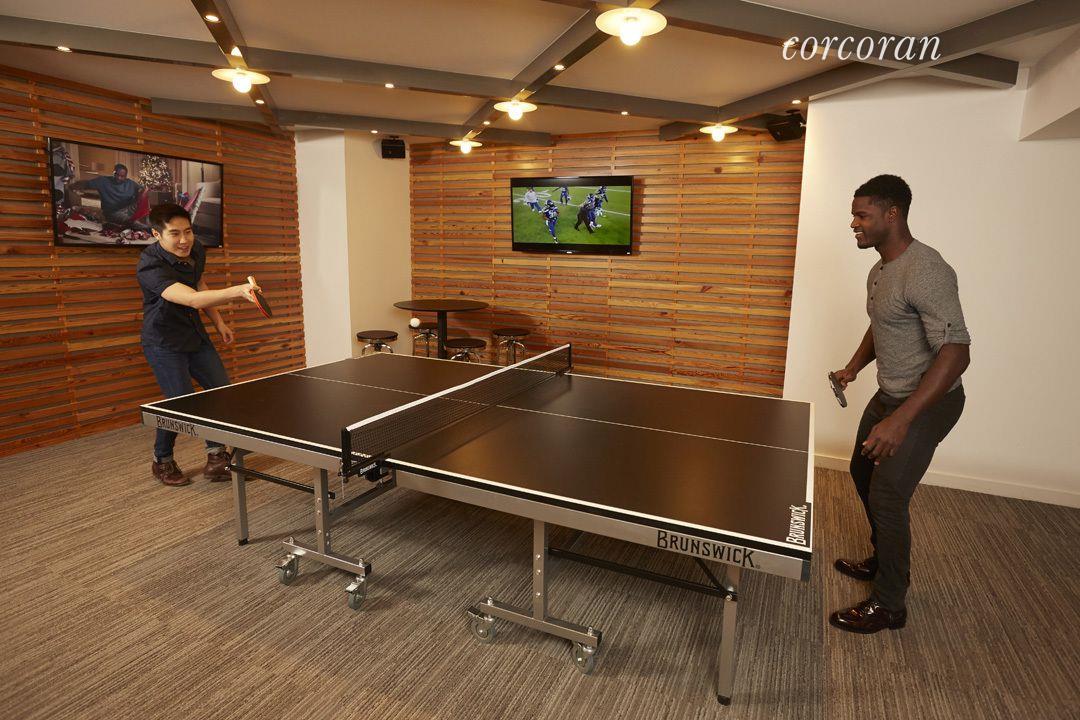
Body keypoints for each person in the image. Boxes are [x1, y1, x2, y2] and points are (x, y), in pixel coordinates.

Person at [829, 175, 971, 633]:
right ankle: (884, 557)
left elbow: (956, 352)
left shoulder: (926, 270)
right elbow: (882, 323)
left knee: (888, 494)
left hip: (928, 402)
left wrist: (902, 421)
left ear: (892, 215)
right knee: (861, 471)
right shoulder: (880, 269)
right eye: (854, 215)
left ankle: (890, 604)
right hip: (890, 394)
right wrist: (853, 368)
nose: (854, 223)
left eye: (862, 215)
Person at [136, 203, 260, 486]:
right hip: (164, 341)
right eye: (175, 234)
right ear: (157, 234)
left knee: (220, 394)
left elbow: (199, 285)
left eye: (188, 231)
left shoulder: (195, 249)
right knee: (180, 404)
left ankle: (216, 459)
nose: (184, 240)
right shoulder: (149, 265)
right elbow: (191, 299)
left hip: (195, 335)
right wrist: (237, 291)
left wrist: (218, 322)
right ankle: (162, 460)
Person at [70, 163, 146, 227]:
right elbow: (86, 184)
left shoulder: (131, 183)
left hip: (128, 209)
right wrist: (72, 186)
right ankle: (145, 228)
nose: (119, 178)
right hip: (113, 212)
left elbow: (142, 191)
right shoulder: (103, 181)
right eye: (117, 175)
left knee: (144, 215)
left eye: (122, 176)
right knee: (136, 224)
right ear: (114, 173)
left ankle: (140, 222)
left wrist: (141, 194)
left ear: (126, 176)